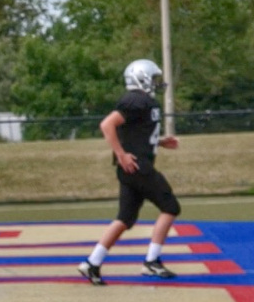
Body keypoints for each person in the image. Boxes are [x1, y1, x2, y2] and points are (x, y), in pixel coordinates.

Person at [77, 59, 182, 285]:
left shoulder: (142, 101)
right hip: (137, 167)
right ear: (141, 78)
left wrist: (160, 142)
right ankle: (151, 261)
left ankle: (92, 263)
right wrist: (121, 154)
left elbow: (135, 133)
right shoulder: (137, 100)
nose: (156, 83)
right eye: (153, 78)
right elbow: (107, 125)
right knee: (171, 207)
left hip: (132, 168)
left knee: (125, 218)